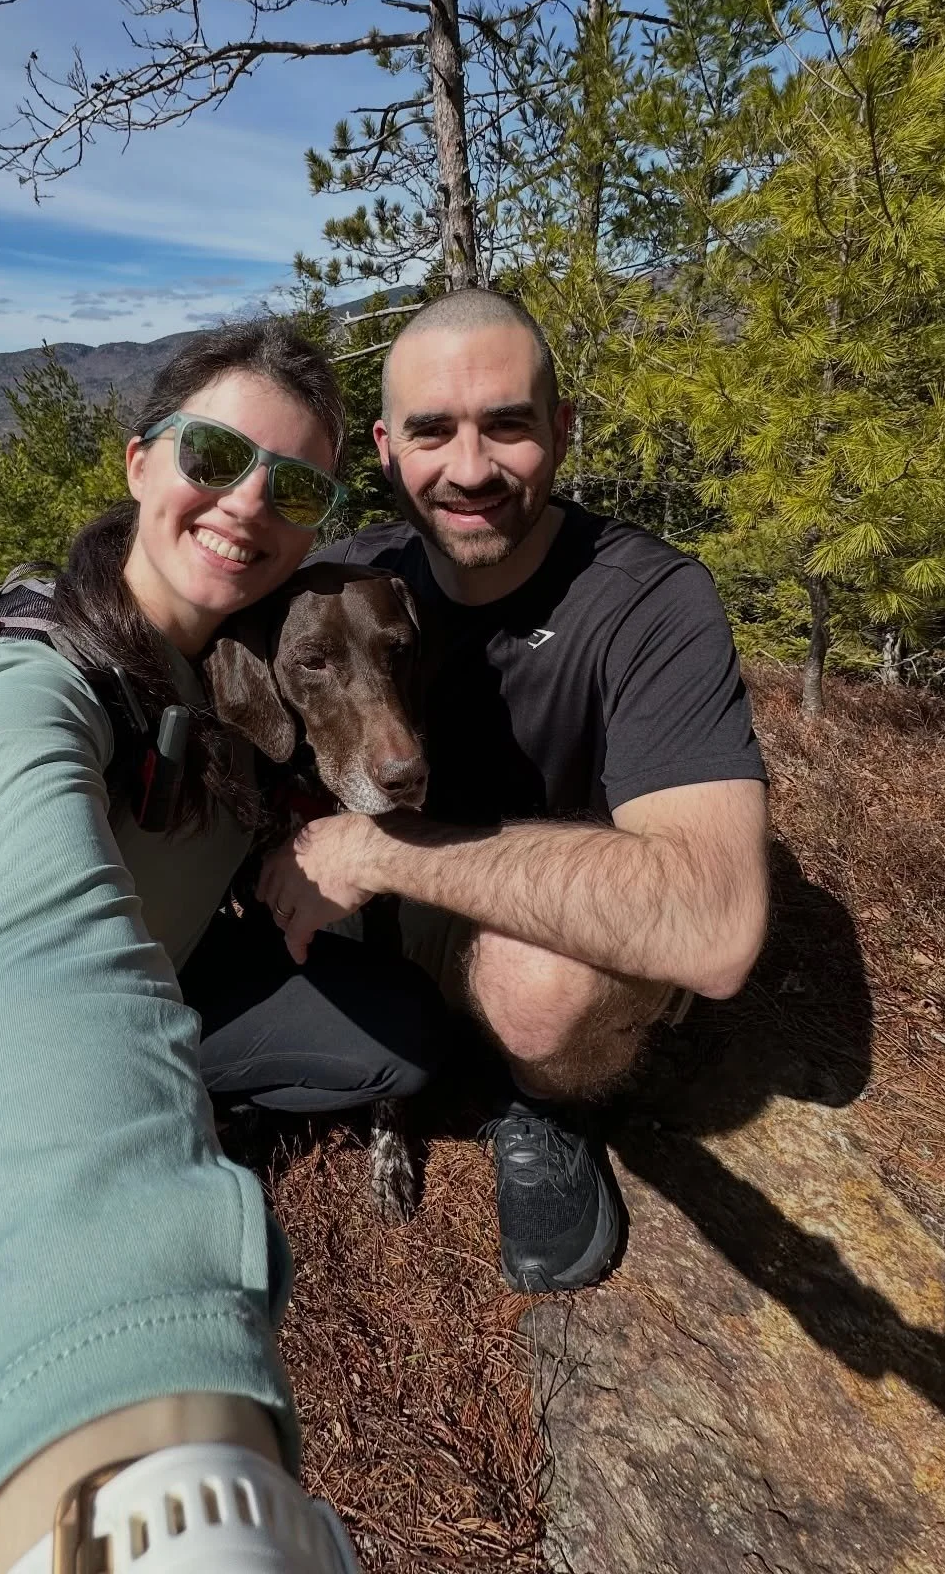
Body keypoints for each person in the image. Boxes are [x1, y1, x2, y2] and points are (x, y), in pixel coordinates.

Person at [0, 320, 447, 1334]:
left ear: (314, 531)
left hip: (168, 985)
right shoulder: (31, 681)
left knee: (411, 1041)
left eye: (295, 489)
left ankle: (207, 1098)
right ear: (139, 464)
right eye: (213, 456)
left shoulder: (247, 662)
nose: (248, 502)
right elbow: (43, 913)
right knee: (46, 1343)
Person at [257, 288, 771, 1294]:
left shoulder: (648, 603)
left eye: (506, 425)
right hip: (392, 917)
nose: (469, 467)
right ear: (387, 449)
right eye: (432, 431)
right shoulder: (349, 586)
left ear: (561, 431)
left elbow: (715, 923)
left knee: (537, 988)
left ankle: (541, 1099)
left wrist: (370, 848)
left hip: (556, 926)